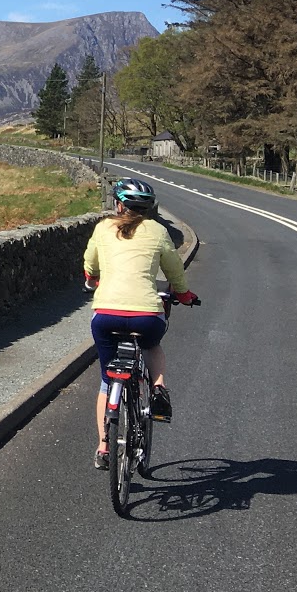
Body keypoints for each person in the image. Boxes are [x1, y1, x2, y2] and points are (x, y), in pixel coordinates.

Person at [83, 177, 198, 469]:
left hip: (105, 315)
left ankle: (103, 447)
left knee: (107, 381)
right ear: (148, 209)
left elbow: (90, 264)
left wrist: (92, 280)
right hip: (146, 316)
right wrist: (184, 294)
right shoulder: (158, 231)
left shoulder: (103, 228)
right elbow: (174, 270)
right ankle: (158, 387)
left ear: (119, 205)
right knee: (152, 345)